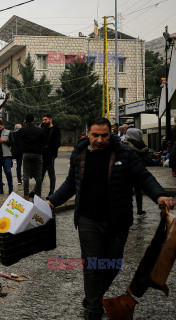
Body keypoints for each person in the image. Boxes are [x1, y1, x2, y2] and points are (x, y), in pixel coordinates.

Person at [47, 117, 175, 320]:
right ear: (87, 132)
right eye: (95, 135)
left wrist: (159, 195)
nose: (99, 139)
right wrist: (51, 202)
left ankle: (92, 297)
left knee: (113, 264)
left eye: (104, 135)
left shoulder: (125, 153)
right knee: (92, 264)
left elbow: (144, 177)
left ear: (111, 133)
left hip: (118, 219)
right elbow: (71, 184)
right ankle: (94, 308)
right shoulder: (79, 153)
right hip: (88, 219)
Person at [124, 128, 152, 215]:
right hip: (138, 170)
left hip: (126, 171)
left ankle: (127, 210)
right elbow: (148, 159)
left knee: (126, 191)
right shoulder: (141, 144)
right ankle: (139, 210)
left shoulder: (124, 144)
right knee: (138, 190)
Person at [16, 114, 44, 199]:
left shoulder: (22, 130)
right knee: (39, 175)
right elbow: (43, 142)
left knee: (26, 175)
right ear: (34, 120)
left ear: (26, 121)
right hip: (37, 154)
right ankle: (38, 194)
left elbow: (17, 141)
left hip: (26, 154)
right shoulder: (40, 130)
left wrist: (22, 149)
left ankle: (26, 195)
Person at [40, 114, 61, 199]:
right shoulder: (43, 129)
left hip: (51, 154)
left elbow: (58, 143)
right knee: (41, 173)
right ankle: (37, 190)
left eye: (45, 120)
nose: (44, 121)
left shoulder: (55, 129)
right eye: (43, 120)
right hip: (43, 154)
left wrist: (50, 149)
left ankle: (51, 192)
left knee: (51, 173)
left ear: (50, 120)